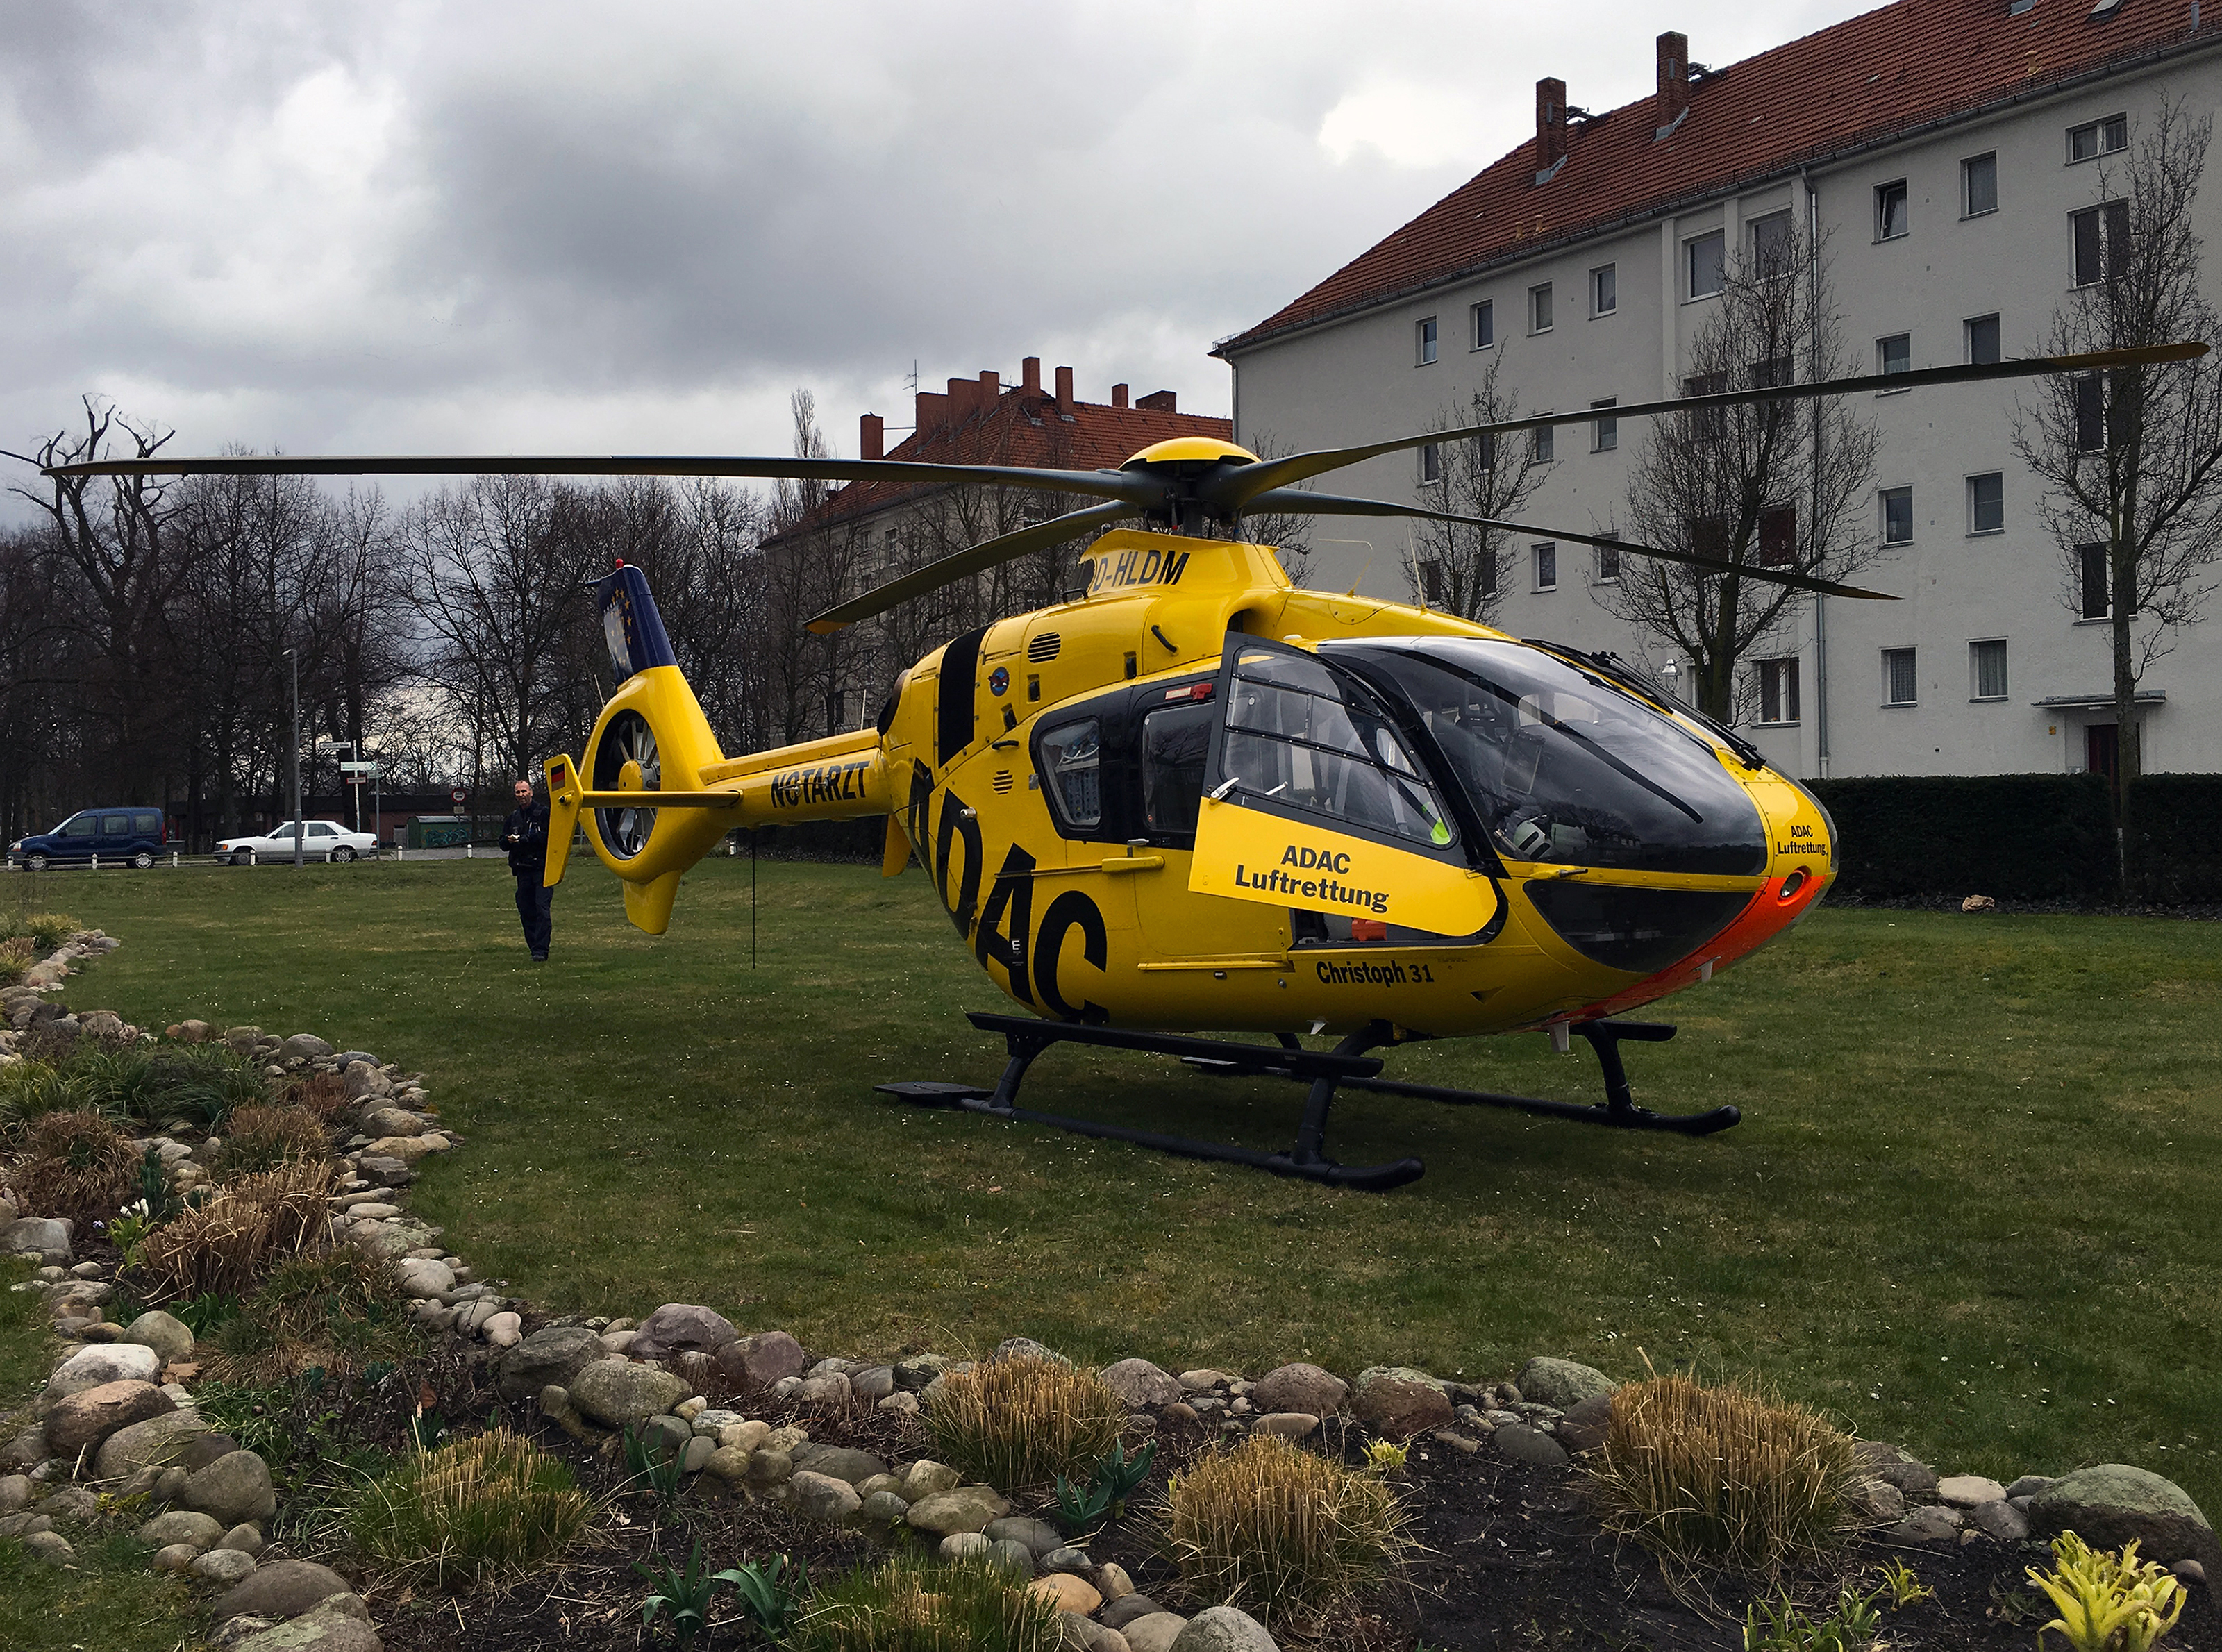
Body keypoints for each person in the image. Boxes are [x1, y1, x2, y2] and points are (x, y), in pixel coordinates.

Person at [504, 777, 552, 960]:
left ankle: (541, 950)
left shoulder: (544, 813)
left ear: (531, 792)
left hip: (541, 868)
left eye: (524, 791)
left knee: (542, 909)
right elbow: (502, 842)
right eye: (518, 792)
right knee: (526, 910)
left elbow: (551, 836)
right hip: (522, 870)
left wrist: (528, 839)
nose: (521, 795)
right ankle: (534, 948)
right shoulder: (513, 817)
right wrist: (508, 840)